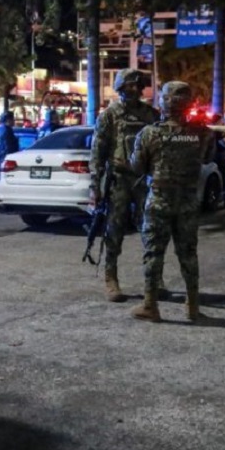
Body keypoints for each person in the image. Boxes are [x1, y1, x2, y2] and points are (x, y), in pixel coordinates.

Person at [128, 81, 214, 323]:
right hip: (187, 201)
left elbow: (137, 167)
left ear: (163, 102)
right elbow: (208, 158)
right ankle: (192, 306)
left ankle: (150, 305)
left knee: (153, 253)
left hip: (159, 201)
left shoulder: (150, 133)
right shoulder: (202, 133)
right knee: (188, 254)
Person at [88, 68, 157, 302]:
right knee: (114, 229)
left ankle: (154, 279)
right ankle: (111, 278)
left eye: (138, 85)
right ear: (120, 87)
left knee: (149, 229)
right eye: (130, 85)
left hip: (143, 180)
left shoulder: (150, 114)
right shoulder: (109, 115)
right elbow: (98, 151)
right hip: (118, 179)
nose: (136, 89)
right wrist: (95, 185)